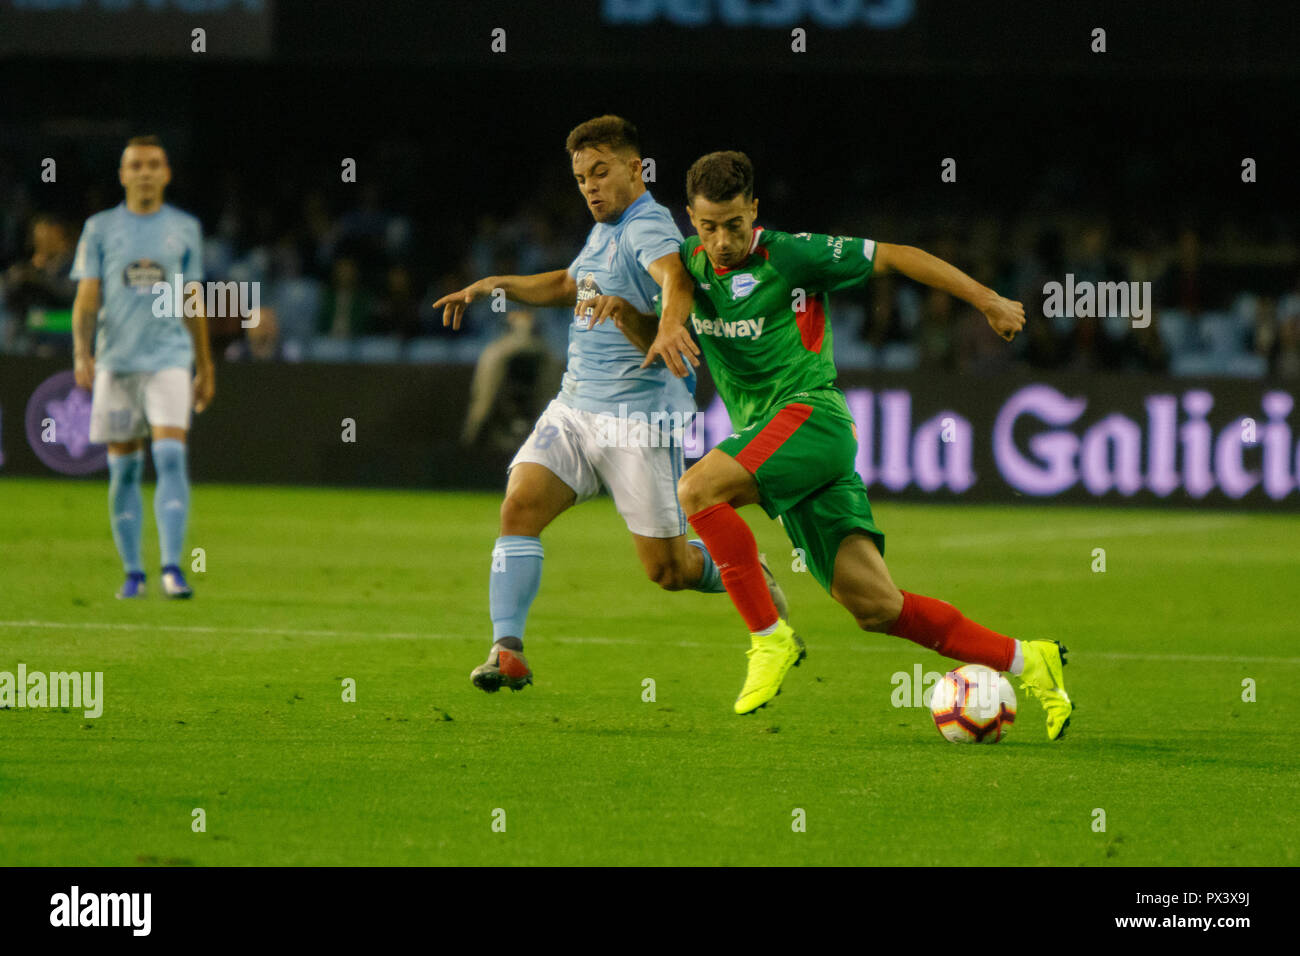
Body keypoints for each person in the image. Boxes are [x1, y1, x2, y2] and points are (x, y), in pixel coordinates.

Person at [632, 150, 1072, 735]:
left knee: (697, 490)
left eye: (734, 225)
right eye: (709, 227)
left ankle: (769, 637)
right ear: (690, 218)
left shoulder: (793, 254)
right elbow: (670, 299)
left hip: (811, 418)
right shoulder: (686, 266)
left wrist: (987, 299)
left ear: (754, 211)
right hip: (782, 449)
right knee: (876, 607)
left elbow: (898, 256)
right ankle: (1028, 659)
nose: (722, 240)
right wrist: (629, 313)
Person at [433, 117, 787, 694]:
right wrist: (496, 283)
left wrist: (668, 327)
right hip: (574, 408)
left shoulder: (647, 226)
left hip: (637, 420)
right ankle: (507, 650)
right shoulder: (604, 231)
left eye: (601, 172)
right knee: (519, 507)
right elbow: (570, 285)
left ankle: (742, 570)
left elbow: (675, 278)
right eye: (580, 178)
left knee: (668, 571)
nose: (590, 187)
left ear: (636, 169)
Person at [71, 135, 213, 599]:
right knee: (125, 470)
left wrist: (205, 365)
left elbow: (193, 299)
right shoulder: (100, 228)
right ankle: (134, 572)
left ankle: (172, 568)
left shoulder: (185, 227)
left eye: (154, 164)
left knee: (171, 456)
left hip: (170, 358)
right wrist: (81, 351)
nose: (146, 172)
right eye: (137, 165)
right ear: (123, 174)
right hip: (116, 361)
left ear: (167, 173)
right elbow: (88, 296)